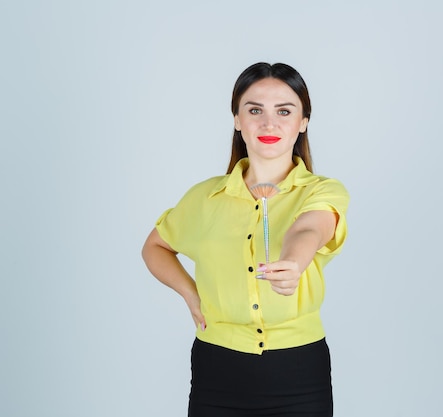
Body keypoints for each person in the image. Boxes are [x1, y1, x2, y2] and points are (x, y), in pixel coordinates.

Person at [142, 62, 349, 417]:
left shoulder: (323, 190)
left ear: (303, 122)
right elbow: (155, 246)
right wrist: (192, 294)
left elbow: (310, 229)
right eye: (255, 110)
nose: (269, 123)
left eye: (284, 111)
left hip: (298, 372)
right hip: (217, 370)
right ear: (237, 119)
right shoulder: (205, 198)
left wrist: (294, 264)